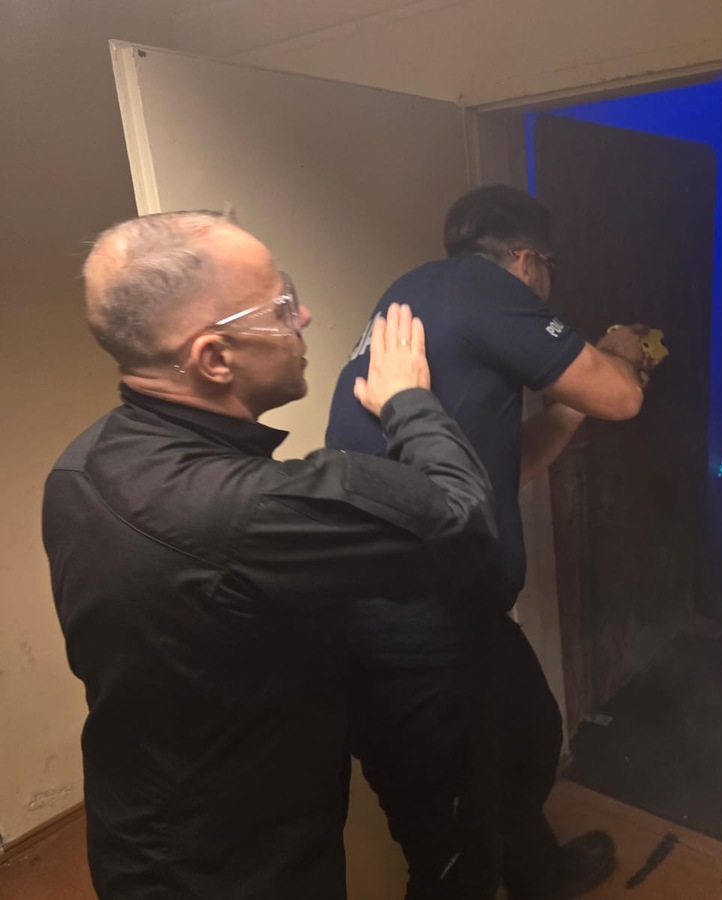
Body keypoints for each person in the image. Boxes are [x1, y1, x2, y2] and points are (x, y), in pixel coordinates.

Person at [42, 210, 497, 900]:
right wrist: (409, 399)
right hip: (234, 870)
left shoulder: (83, 461)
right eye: (282, 307)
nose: (303, 316)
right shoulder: (244, 509)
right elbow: (462, 520)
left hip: (144, 829)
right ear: (214, 359)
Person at [326, 185, 653, 899]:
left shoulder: (424, 294)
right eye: (550, 269)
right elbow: (622, 396)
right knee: (451, 855)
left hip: (455, 609)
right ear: (527, 259)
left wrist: (567, 410)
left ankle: (539, 876)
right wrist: (618, 355)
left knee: (527, 739)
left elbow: (503, 468)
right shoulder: (486, 289)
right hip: (407, 631)